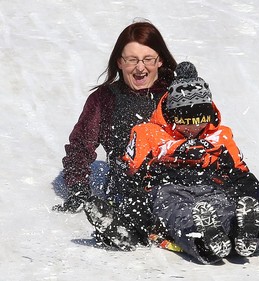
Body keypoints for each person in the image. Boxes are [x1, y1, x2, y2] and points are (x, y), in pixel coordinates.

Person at [84, 62, 259, 264]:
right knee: (180, 215)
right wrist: (134, 215)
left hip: (210, 190)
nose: (193, 128)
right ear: (171, 115)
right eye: (185, 121)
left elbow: (241, 177)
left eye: (200, 120)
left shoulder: (219, 137)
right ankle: (204, 240)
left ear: (210, 115)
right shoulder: (147, 134)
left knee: (227, 209)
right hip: (166, 191)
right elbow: (130, 177)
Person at [52, 20, 177, 213]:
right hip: (126, 191)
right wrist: (78, 189)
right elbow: (80, 148)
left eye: (148, 59)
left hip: (179, 187)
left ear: (160, 60)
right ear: (119, 62)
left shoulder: (177, 95)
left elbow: (209, 138)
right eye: (132, 60)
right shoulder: (105, 99)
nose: (140, 68)